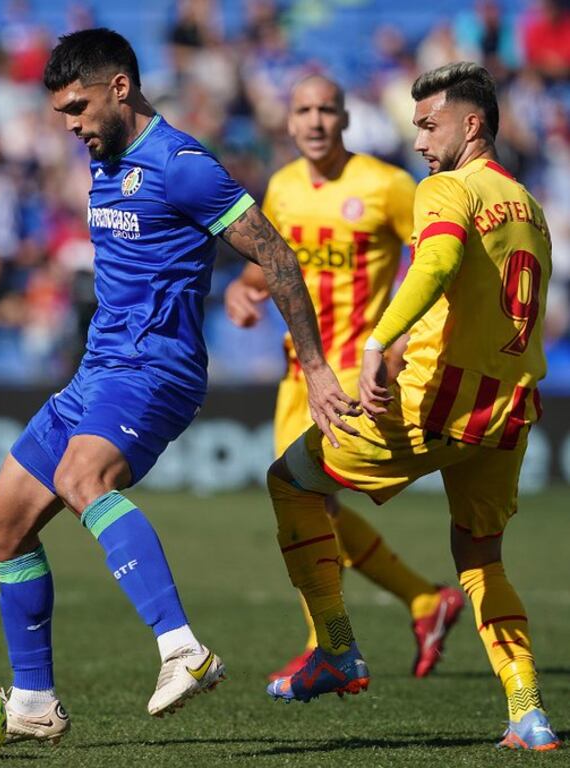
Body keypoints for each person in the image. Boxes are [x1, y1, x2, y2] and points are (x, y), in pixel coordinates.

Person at [0, 28, 358, 747]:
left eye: (77, 106)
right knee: (2, 522)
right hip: (97, 370)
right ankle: (32, 701)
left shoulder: (183, 166)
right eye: (61, 112)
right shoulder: (103, 156)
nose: (70, 125)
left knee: (81, 477)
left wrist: (313, 367)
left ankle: (183, 648)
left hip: (157, 369)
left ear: (120, 87)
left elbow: (277, 255)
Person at [264, 62, 559, 751]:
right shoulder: (527, 203)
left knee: (291, 481)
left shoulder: (445, 188)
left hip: (433, 404)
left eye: (429, 125)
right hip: (506, 412)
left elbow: (434, 263)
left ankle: (336, 647)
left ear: (472, 124)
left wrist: (379, 342)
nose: (419, 140)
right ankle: (528, 712)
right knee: (480, 559)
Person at [225, 74, 463, 682]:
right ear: (288, 121)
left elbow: (438, 258)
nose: (315, 121)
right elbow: (270, 266)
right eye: (303, 110)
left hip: (353, 372)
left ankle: (327, 645)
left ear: (345, 118)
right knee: (312, 502)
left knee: (307, 499)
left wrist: (404, 338)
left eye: (327, 109)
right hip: (297, 371)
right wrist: (242, 289)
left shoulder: (386, 186)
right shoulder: (282, 187)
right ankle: (423, 600)